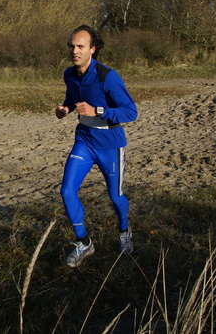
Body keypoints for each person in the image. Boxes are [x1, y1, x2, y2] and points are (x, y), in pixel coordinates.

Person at [55, 25, 138, 268]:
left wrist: (98, 111)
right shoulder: (69, 74)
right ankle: (84, 243)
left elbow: (130, 111)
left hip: (110, 144)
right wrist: (65, 109)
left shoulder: (107, 76)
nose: (74, 50)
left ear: (92, 49)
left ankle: (124, 231)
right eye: (71, 46)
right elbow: (72, 98)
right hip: (84, 141)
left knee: (115, 196)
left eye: (80, 46)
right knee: (67, 191)